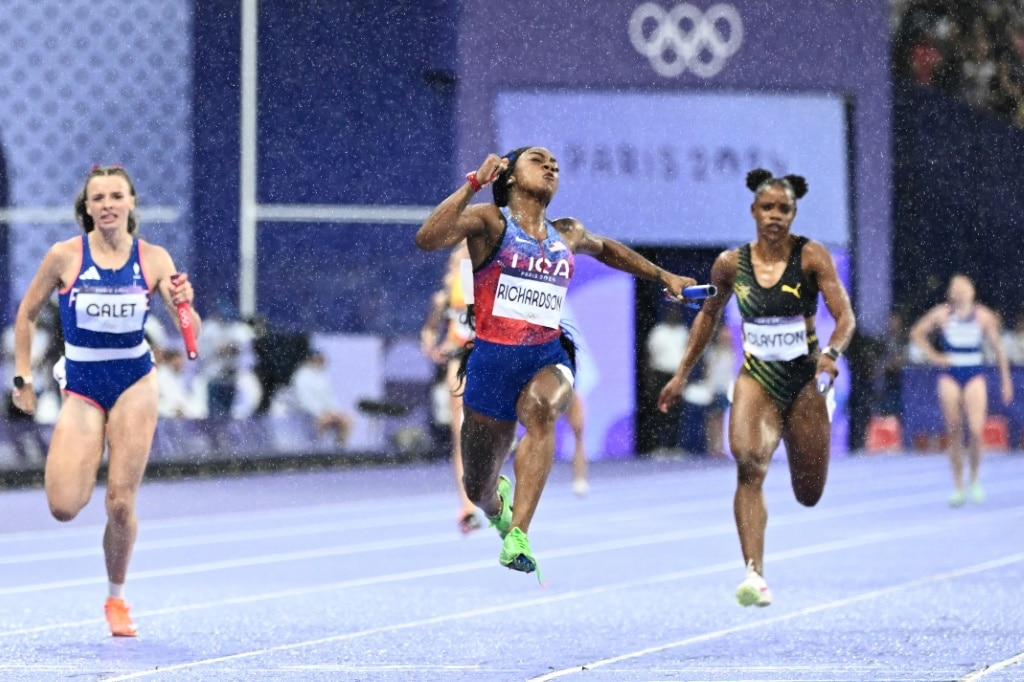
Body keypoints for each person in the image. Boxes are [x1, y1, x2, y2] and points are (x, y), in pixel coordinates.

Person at [415, 146, 696, 577]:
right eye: (538, 160)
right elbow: (427, 238)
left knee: (543, 409)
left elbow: (609, 250)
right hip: (490, 363)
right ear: (507, 176)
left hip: (547, 353)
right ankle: (498, 506)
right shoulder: (490, 222)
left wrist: (664, 276)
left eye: (555, 165)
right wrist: (473, 184)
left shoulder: (567, 232)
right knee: (479, 490)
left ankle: (519, 534)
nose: (551, 167)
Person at [11, 165, 200, 637]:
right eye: (99, 198)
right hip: (82, 384)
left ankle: (116, 599)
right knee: (62, 506)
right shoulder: (64, 256)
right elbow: (25, 315)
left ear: (132, 202)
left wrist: (184, 302)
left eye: (117, 195)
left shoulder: (154, 258)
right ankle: (90, 443)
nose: (108, 204)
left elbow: (187, 331)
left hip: (135, 383)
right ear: (88, 207)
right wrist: (22, 379)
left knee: (119, 503)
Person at [657, 169, 856, 607]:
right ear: (753, 211)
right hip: (756, 379)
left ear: (793, 213)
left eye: (783, 209)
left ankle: (764, 555)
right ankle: (754, 575)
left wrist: (832, 353)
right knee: (748, 464)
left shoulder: (811, 256)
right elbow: (708, 316)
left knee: (808, 495)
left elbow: (845, 317)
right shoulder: (731, 264)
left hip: (803, 382)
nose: (775, 216)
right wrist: (681, 374)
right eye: (767, 207)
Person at [908, 274, 1013, 506]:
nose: (960, 294)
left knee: (975, 431)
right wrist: (934, 356)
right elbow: (916, 332)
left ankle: (974, 479)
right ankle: (957, 485)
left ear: (972, 292)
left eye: (964, 289)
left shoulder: (983, 315)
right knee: (954, 431)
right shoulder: (942, 314)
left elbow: (999, 349)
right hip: (950, 373)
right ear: (951, 293)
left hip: (974, 373)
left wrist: (1006, 381)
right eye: (956, 289)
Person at [420, 241, 484, 534]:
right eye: (459, 255)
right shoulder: (446, 294)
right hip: (460, 361)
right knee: (462, 436)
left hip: (487, 361)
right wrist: (432, 345)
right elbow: (431, 329)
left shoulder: (490, 285)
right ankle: (467, 507)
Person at [289, 348, 352, 446]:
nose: (319, 362)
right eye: (317, 359)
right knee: (323, 421)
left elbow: (330, 398)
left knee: (347, 420)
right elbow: (305, 401)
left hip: (326, 412)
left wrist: (334, 411)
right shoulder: (301, 376)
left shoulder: (322, 376)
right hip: (308, 414)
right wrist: (321, 413)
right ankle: (318, 450)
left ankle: (340, 450)